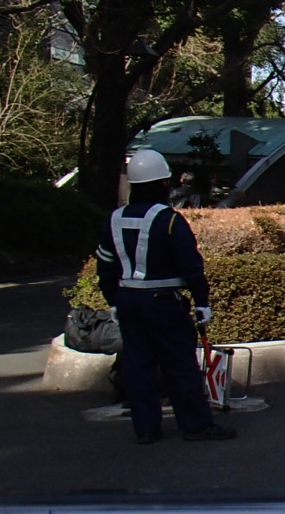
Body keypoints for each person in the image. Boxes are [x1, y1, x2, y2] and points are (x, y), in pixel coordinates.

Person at [95, 149, 235, 444]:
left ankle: (146, 429)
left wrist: (113, 300)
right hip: (164, 303)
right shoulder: (169, 220)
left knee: (138, 365)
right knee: (179, 365)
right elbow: (191, 266)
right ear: (162, 183)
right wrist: (202, 302)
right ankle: (195, 426)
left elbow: (105, 266)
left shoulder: (114, 219)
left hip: (128, 301)